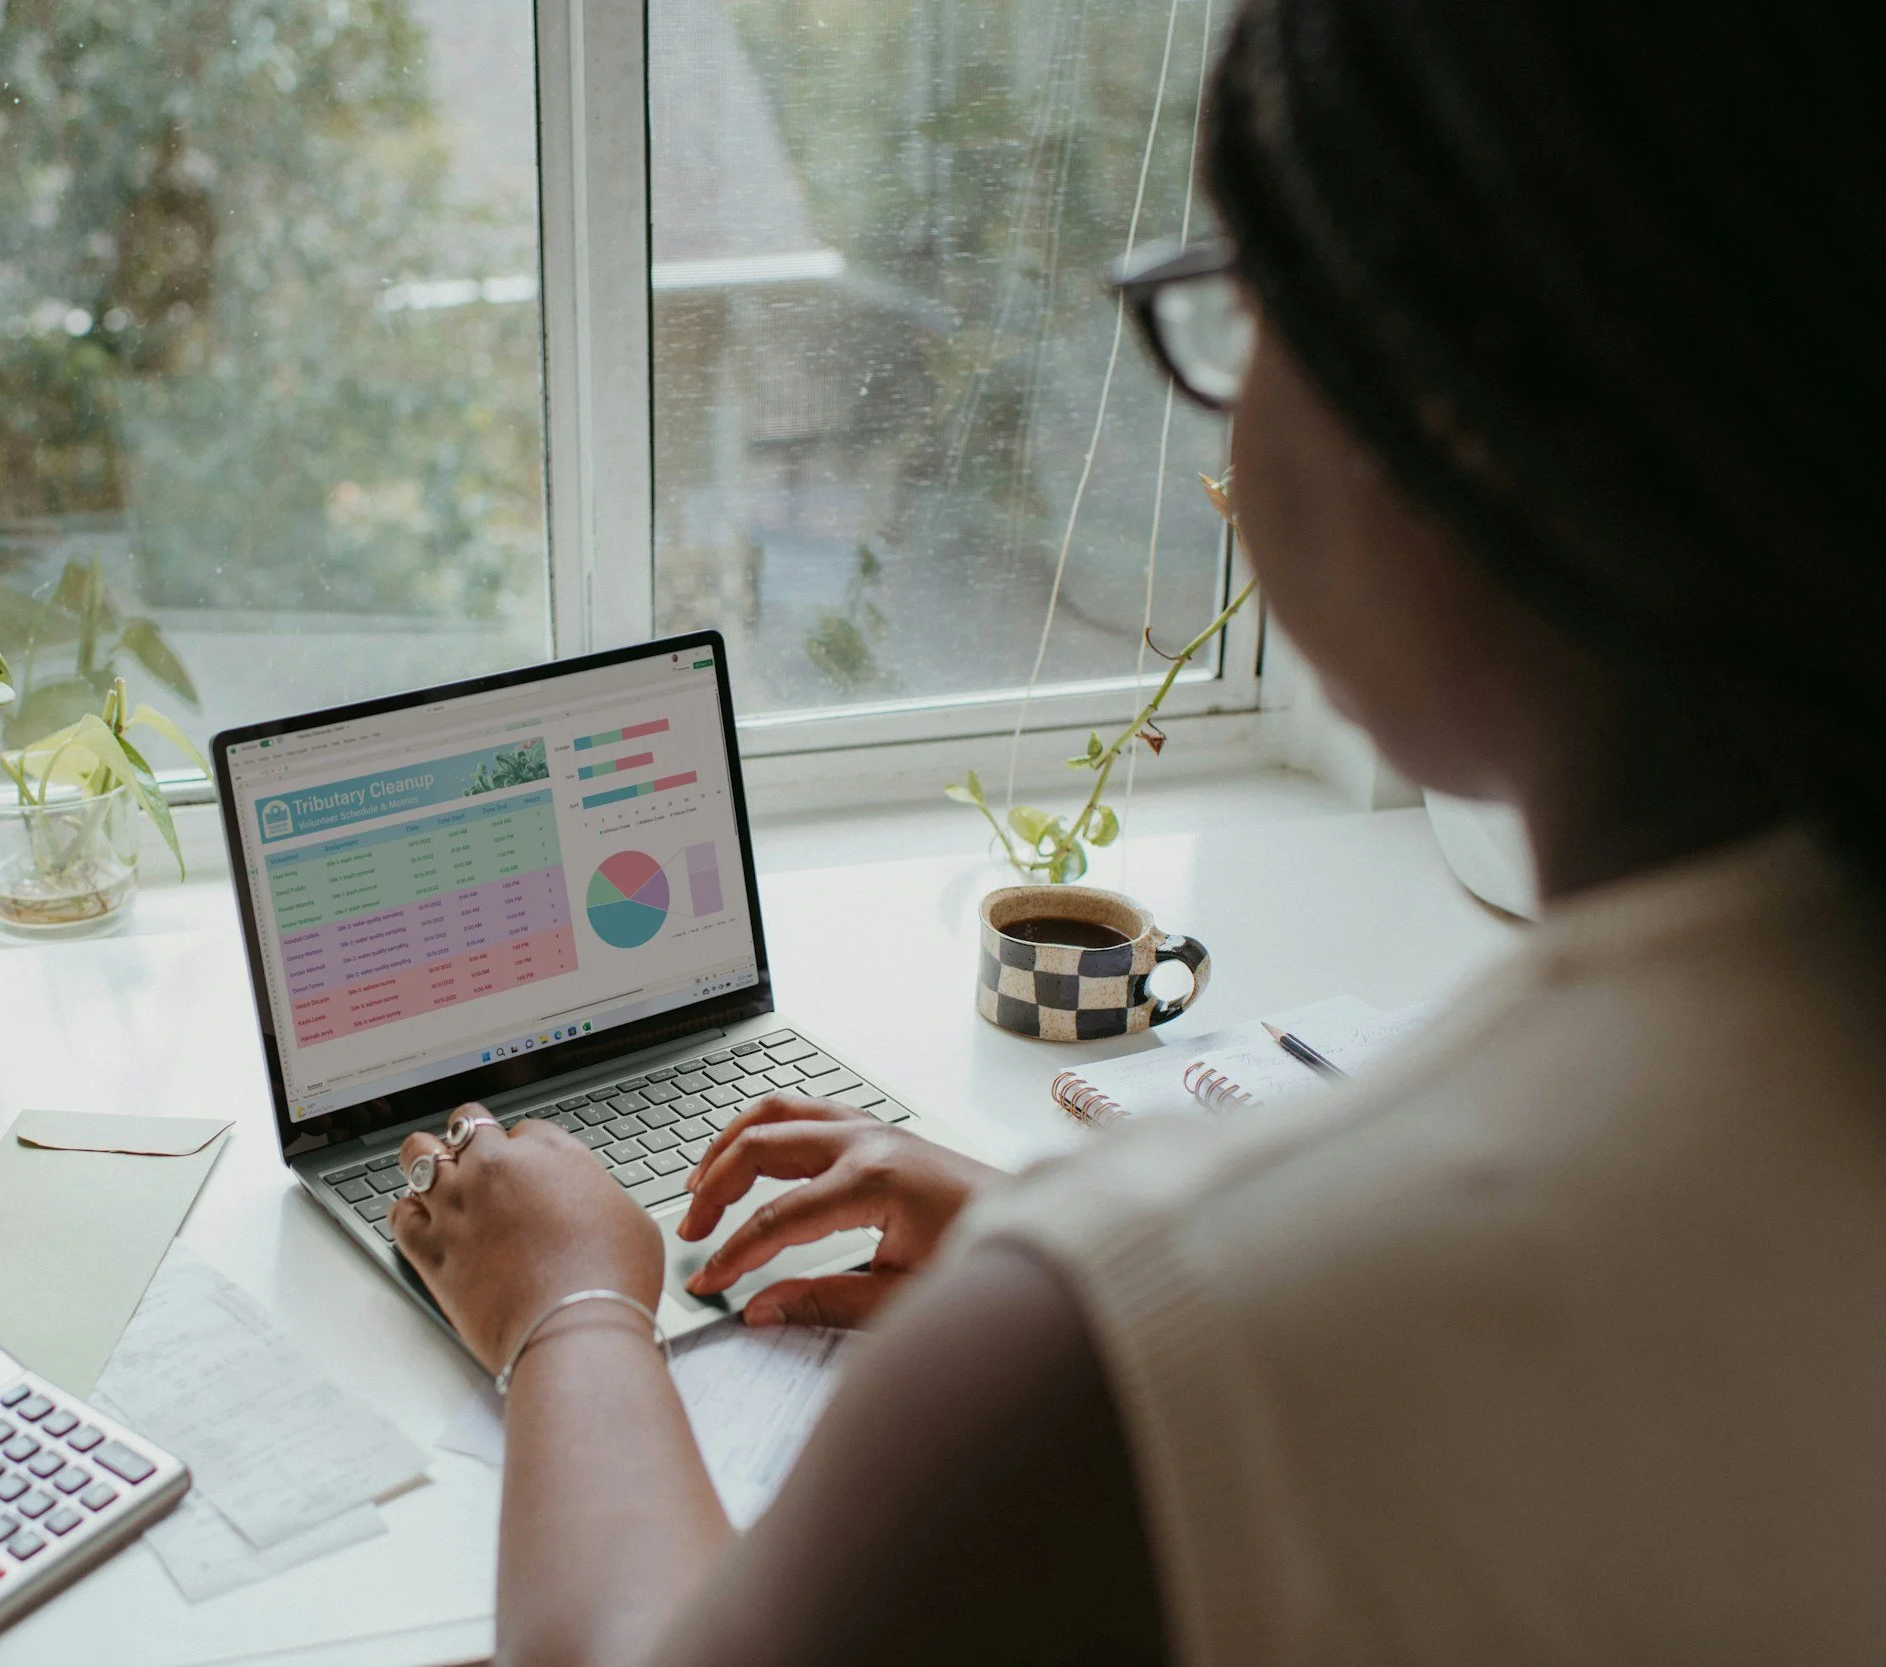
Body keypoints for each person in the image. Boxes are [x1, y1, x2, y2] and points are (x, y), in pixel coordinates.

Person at [387, 0, 1886, 1660]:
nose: (1226, 449)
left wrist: (572, 1302)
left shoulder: (1135, 1337)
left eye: (1242, 309)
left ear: (1456, 399)